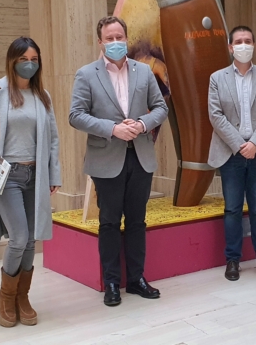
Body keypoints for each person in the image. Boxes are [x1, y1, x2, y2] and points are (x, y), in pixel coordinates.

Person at [69, 16, 168, 307]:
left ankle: (136, 279)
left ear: (126, 38)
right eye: (109, 38)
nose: (115, 43)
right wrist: (112, 128)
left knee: (137, 221)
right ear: (100, 42)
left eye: (119, 37)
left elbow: (161, 106)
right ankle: (112, 282)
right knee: (110, 222)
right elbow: (76, 115)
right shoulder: (86, 74)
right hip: (106, 157)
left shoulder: (144, 71)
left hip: (140, 156)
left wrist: (141, 124)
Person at [0, 37, 62, 327]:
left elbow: (52, 140)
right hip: (7, 176)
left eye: (34, 59)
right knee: (19, 238)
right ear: (12, 61)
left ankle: (22, 297)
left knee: (31, 239)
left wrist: (54, 174)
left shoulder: (42, 96)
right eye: (23, 59)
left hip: (35, 175)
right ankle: (5, 296)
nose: (29, 64)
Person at [208, 25, 256, 281]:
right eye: (238, 41)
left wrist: (255, 144)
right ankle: (232, 260)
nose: (243, 45)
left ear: (254, 44)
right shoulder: (217, 78)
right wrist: (239, 144)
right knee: (232, 209)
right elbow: (215, 115)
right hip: (230, 153)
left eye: (247, 41)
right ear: (230, 47)